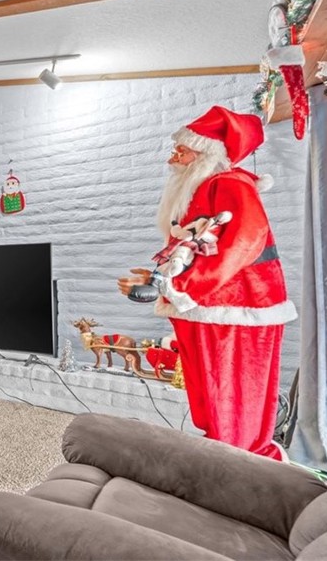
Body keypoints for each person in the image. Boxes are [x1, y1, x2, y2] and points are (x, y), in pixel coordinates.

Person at [118, 105, 297, 460]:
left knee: (231, 395)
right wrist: (159, 278)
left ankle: (238, 467)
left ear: (205, 153)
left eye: (181, 150)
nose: (173, 157)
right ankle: (218, 457)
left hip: (236, 307)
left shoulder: (229, 184)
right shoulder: (202, 191)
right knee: (210, 395)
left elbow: (246, 240)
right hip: (208, 307)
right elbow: (195, 245)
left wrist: (184, 287)